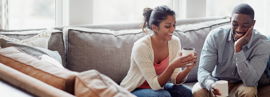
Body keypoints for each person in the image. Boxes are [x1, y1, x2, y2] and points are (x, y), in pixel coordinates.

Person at [192, 3, 270, 97]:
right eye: (235, 24)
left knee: (249, 92)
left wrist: (238, 49)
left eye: (245, 25)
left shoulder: (261, 43)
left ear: (253, 23)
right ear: (230, 20)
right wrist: (211, 85)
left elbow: (250, 81)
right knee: (198, 90)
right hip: (217, 81)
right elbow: (203, 70)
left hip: (241, 84)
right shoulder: (215, 36)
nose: (239, 29)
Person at [120, 5, 197, 97]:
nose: (172, 29)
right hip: (134, 89)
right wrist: (173, 66)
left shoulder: (174, 42)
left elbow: (176, 80)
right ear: (155, 27)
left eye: (174, 25)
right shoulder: (141, 47)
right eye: (168, 26)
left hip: (158, 88)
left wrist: (188, 69)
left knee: (186, 92)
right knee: (163, 95)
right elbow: (155, 85)